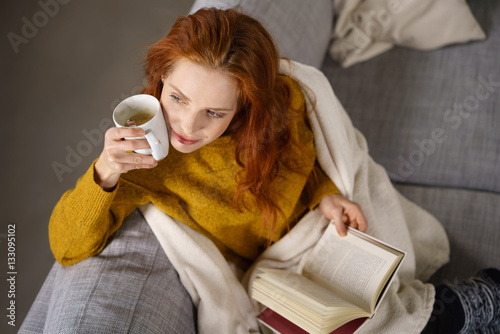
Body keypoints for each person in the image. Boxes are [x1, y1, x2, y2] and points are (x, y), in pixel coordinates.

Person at [23, 8, 499, 334]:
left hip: (320, 231)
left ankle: (476, 303)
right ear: (160, 77)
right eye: (178, 98)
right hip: (269, 271)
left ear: (244, 104)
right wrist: (104, 172)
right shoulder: (146, 162)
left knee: (364, 311)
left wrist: (326, 194)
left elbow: (310, 159)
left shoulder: (278, 106)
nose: (188, 126)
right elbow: (65, 248)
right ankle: (471, 304)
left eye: (215, 112)